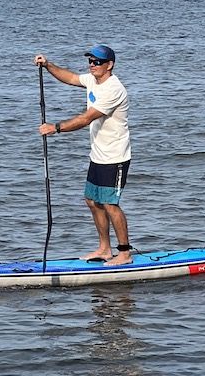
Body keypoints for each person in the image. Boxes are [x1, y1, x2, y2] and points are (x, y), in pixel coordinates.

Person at [35, 44, 133, 266]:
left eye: (98, 62)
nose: (92, 65)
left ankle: (125, 253)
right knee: (92, 200)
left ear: (110, 65)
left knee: (110, 204)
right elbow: (70, 77)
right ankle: (105, 249)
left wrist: (55, 128)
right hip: (98, 155)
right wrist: (48, 65)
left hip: (115, 157)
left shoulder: (113, 89)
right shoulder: (92, 80)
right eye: (91, 61)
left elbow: (86, 119)